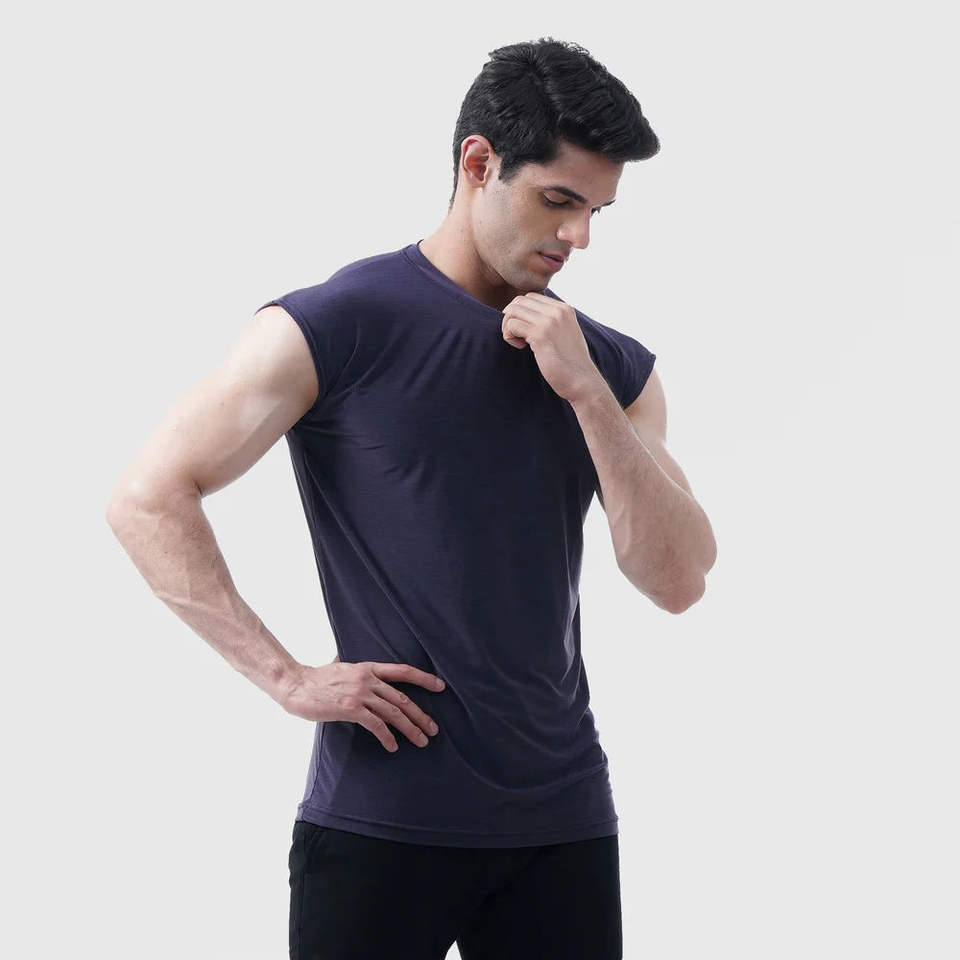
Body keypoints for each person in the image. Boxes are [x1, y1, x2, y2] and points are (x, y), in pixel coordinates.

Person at [106, 36, 716, 960]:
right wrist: (287, 678)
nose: (579, 238)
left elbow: (677, 581)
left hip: (562, 823)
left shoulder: (611, 365)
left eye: (597, 211)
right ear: (479, 163)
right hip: (381, 822)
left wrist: (588, 394)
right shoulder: (339, 323)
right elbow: (147, 497)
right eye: (558, 200)